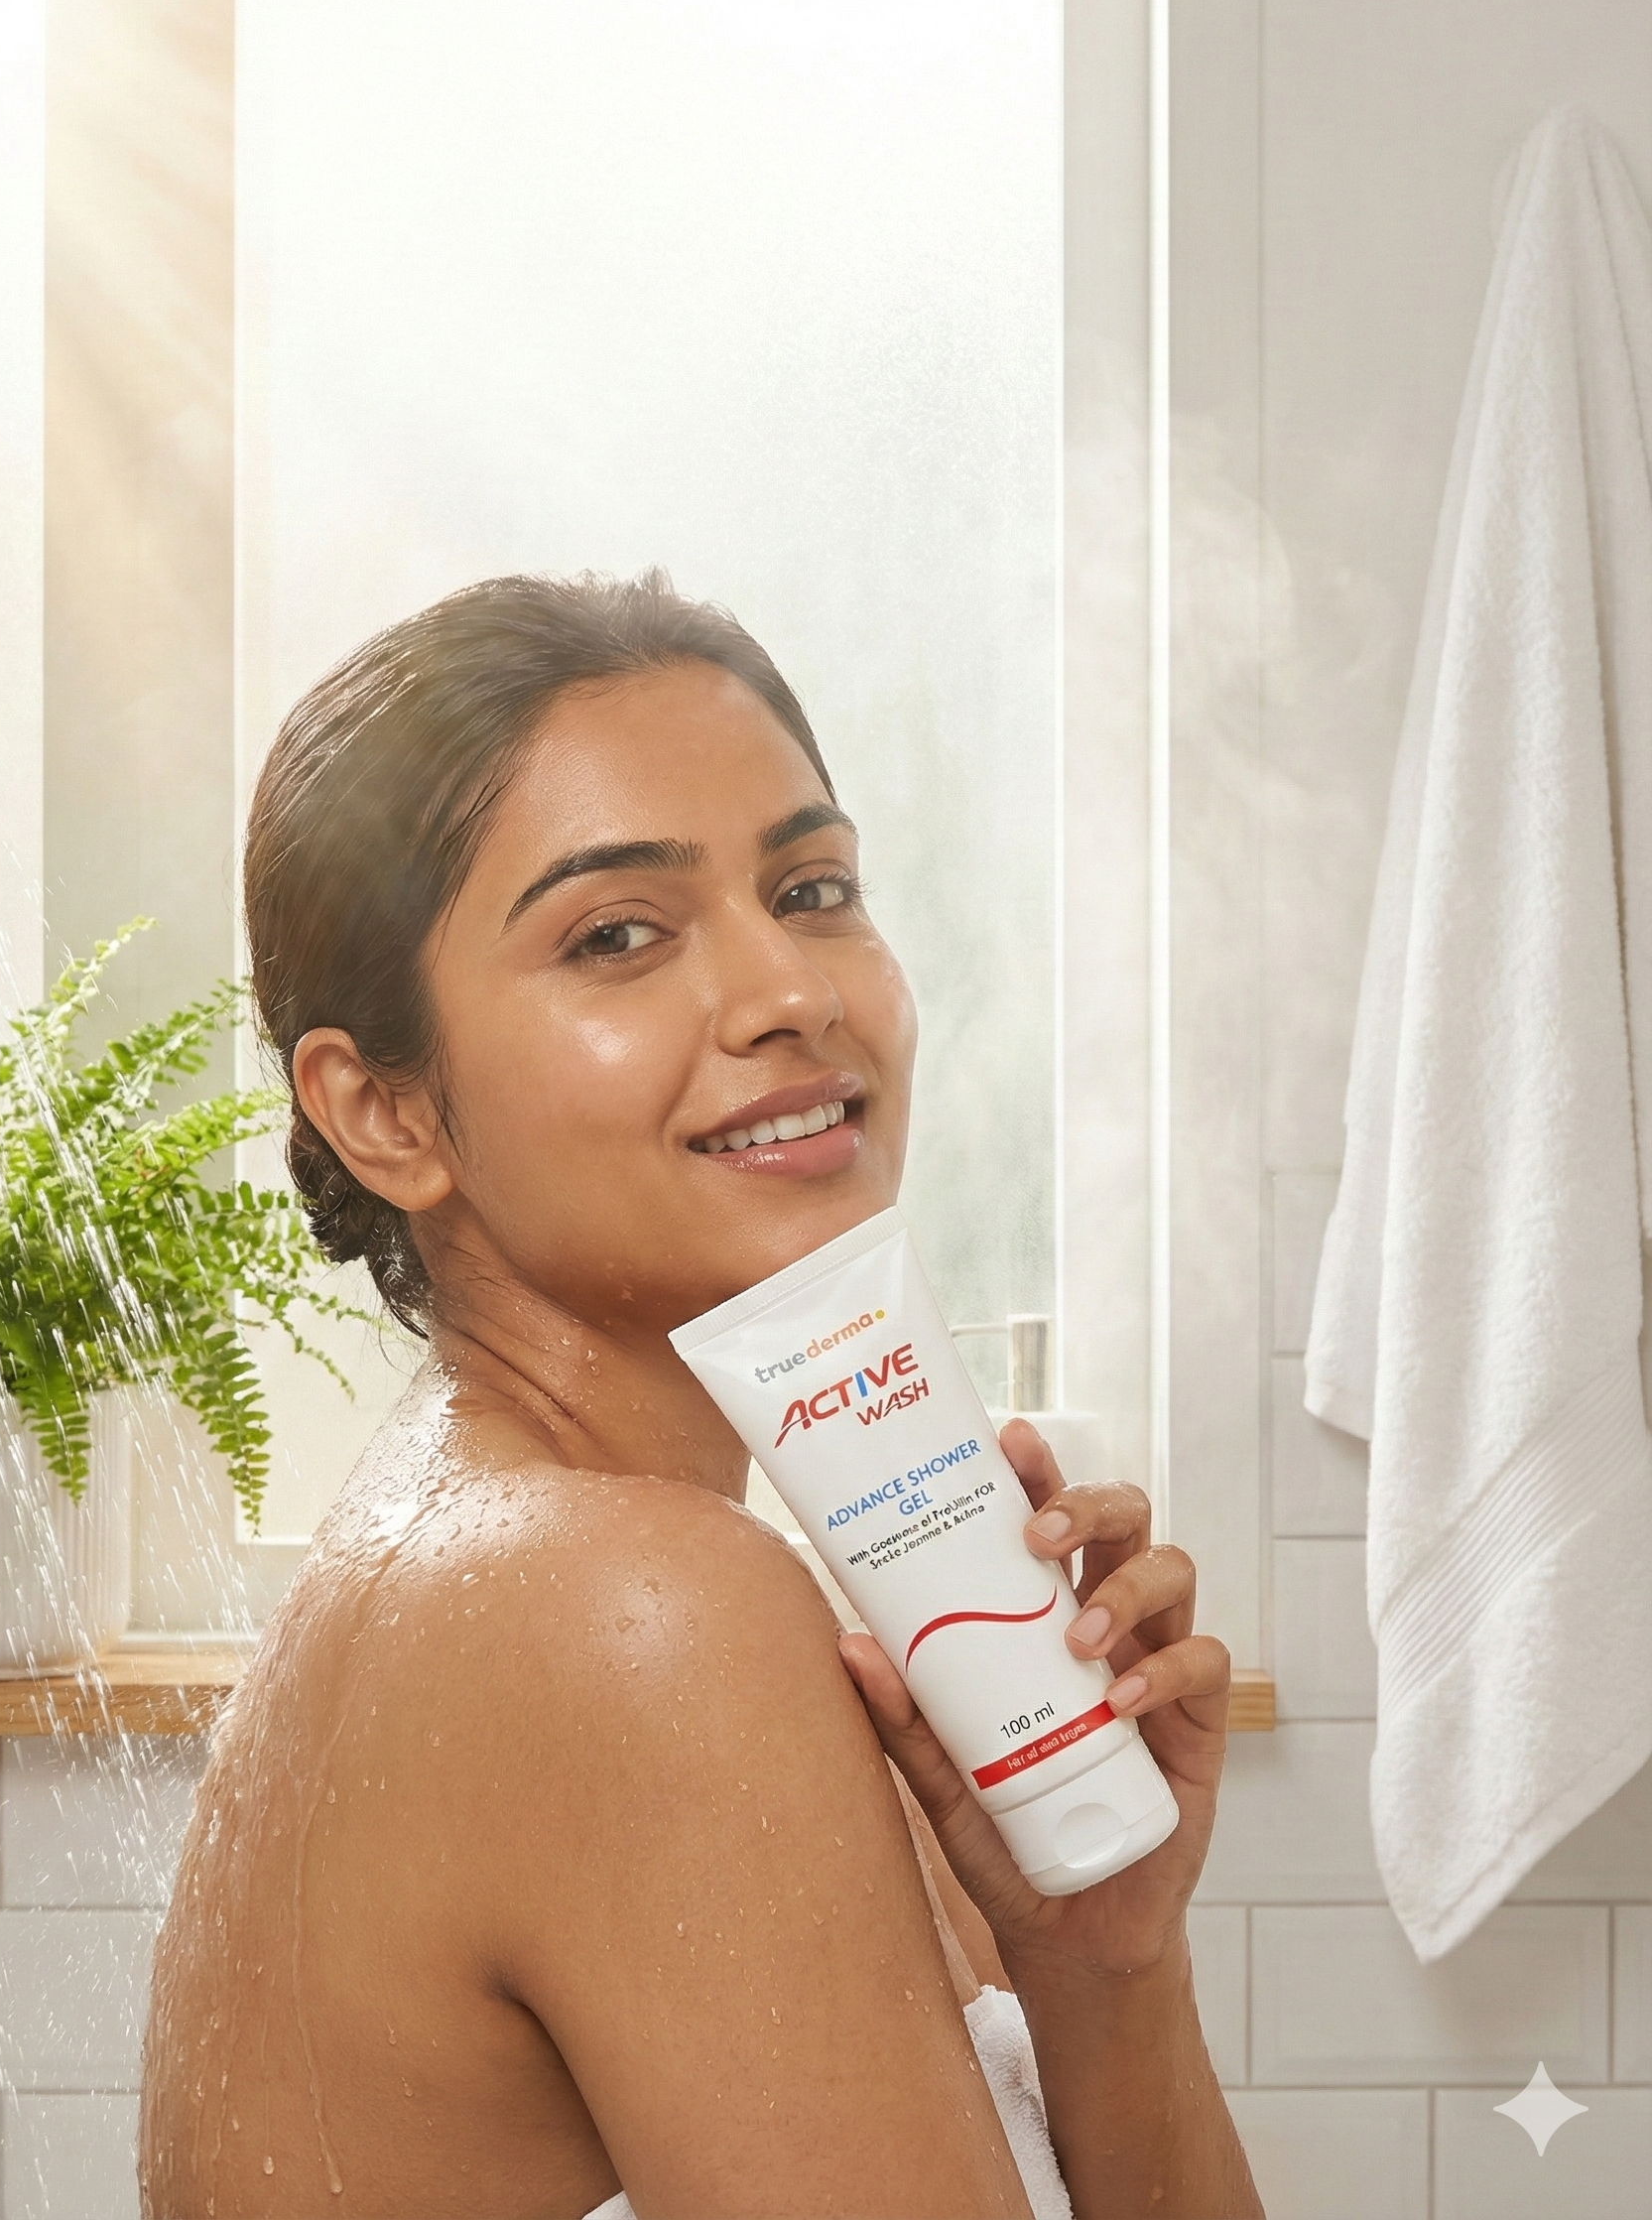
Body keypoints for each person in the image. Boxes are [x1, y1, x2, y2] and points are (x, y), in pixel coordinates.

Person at [140, 572, 1262, 2220]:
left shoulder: (493, 1556)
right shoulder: (631, 1611)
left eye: (813, 889)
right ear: (383, 1111)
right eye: (618, 935)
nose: (791, 991)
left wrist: (1108, 1958)